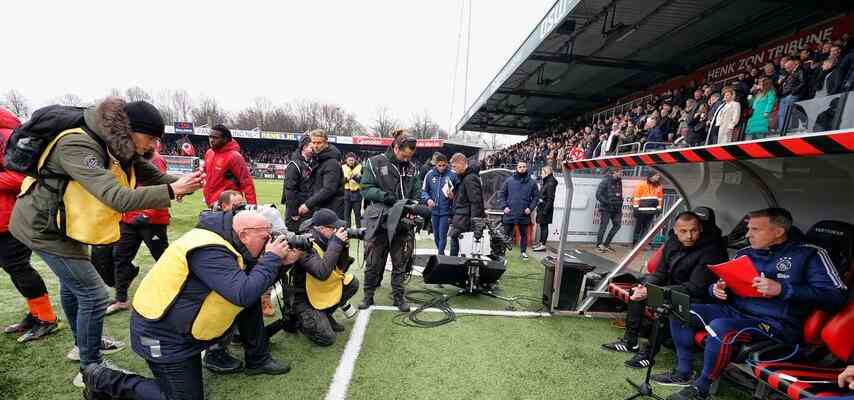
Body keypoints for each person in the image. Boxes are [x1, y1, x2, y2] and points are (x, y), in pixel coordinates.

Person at [9, 98, 204, 385]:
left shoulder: (116, 142)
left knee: (75, 287)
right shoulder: (77, 144)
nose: (152, 146)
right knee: (94, 294)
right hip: (44, 228)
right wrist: (172, 190)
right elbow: (117, 197)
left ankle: (83, 346)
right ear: (131, 130)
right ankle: (90, 369)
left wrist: (182, 182)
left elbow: (148, 173)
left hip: (68, 224)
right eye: (150, 138)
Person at [83, 211, 301, 400]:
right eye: (266, 236)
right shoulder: (209, 249)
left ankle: (237, 356)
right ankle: (102, 378)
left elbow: (253, 284)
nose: (269, 242)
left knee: (249, 303)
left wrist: (281, 264)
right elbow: (242, 293)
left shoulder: (230, 241)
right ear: (244, 234)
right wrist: (272, 259)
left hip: (184, 329)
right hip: (163, 334)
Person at [653, 208, 847, 400]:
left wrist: (783, 289)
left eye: (755, 229)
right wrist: (717, 289)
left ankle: (702, 387)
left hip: (776, 323)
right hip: (735, 311)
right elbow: (720, 286)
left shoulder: (810, 254)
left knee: (720, 327)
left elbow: (836, 297)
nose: (748, 235)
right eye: (748, 228)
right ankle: (683, 372)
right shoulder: (745, 253)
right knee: (678, 309)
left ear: (778, 232)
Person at [602, 211, 726, 369]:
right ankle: (630, 341)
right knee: (636, 291)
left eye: (693, 230)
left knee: (665, 305)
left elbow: (695, 287)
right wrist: (646, 287)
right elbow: (660, 272)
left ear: (700, 229)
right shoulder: (673, 242)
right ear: (675, 230)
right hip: (672, 287)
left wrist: (656, 292)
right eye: (683, 231)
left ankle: (649, 354)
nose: (689, 236)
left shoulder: (712, 250)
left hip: (695, 297)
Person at [0, 107, 60, 342]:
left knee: (18, 267)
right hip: (5, 217)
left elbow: (22, 176)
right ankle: (37, 313)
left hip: (12, 218)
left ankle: (46, 318)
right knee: (13, 268)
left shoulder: (7, 136)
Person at [105, 141, 171, 316]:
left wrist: (147, 214)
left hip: (152, 221)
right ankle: (121, 299)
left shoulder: (156, 160)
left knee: (163, 259)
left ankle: (174, 296)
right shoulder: (129, 159)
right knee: (119, 256)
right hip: (129, 218)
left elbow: (161, 187)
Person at [359, 129, 421, 312]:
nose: (405, 159)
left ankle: (398, 297)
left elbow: (417, 193)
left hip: (402, 224)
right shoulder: (374, 163)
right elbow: (366, 188)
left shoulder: (413, 168)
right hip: (379, 222)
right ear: (395, 147)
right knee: (373, 262)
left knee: (400, 263)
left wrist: (413, 206)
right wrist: (386, 197)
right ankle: (368, 296)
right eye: (403, 154)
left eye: (409, 156)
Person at [289, 209, 359, 346]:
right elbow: (322, 272)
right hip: (303, 298)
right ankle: (301, 321)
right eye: (334, 228)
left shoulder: (327, 239)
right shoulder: (305, 244)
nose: (338, 230)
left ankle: (325, 314)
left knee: (352, 283)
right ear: (321, 229)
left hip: (319, 290)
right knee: (327, 338)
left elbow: (341, 269)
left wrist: (342, 247)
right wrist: (336, 243)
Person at [202, 125, 256, 208]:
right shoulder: (209, 153)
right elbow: (205, 176)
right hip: (212, 204)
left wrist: (252, 208)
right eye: (210, 137)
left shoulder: (234, 157)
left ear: (225, 139)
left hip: (229, 206)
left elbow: (247, 183)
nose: (211, 140)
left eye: (215, 138)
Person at [498, 161, 539, 260]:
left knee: (523, 234)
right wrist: (504, 207)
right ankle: (502, 253)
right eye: (520, 167)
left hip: (524, 213)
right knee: (506, 234)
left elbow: (536, 197)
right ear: (517, 168)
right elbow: (501, 194)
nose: (522, 168)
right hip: (510, 213)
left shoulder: (532, 182)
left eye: (524, 167)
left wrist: (530, 208)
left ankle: (523, 252)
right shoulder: (509, 181)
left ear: (526, 168)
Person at [300, 129, 345, 219]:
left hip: (331, 212)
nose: (316, 146)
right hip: (322, 209)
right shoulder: (319, 159)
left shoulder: (331, 163)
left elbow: (329, 189)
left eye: (319, 143)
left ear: (326, 143)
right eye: (314, 142)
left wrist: (308, 204)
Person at [447, 153, 485, 257]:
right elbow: (464, 198)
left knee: (462, 247)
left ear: (462, 163)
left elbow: (476, 202)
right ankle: (453, 266)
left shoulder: (470, 178)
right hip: (461, 218)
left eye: (454, 166)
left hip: (465, 220)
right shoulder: (464, 177)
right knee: (458, 244)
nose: (453, 169)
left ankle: (452, 267)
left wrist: (475, 223)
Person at [421, 153, 457, 256]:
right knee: (436, 235)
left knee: (442, 235)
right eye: (439, 165)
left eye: (443, 165)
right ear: (435, 165)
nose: (441, 168)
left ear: (447, 164)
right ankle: (441, 255)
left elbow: (459, 193)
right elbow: (423, 191)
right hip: (434, 211)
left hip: (446, 211)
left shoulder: (452, 175)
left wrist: (452, 196)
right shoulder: (429, 174)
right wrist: (428, 200)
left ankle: (440, 255)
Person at [283, 135, 314, 232]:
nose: (314, 149)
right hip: (297, 212)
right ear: (304, 148)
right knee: (295, 240)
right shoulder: (294, 165)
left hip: (307, 208)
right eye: (311, 147)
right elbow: (290, 190)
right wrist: (294, 212)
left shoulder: (311, 163)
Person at [631, 171, 665, 246]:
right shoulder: (641, 184)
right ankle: (635, 243)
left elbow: (660, 198)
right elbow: (636, 197)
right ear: (651, 176)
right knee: (638, 228)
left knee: (646, 229)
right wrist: (635, 209)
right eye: (656, 176)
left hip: (651, 211)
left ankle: (641, 244)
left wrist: (659, 209)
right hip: (641, 211)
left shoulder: (659, 186)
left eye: (658, 176)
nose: (658, 177)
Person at [595, 168, 624, 252]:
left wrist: (620, 202)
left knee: (617, 225)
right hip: (606, 208)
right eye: (621, 172)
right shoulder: (605, 181)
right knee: (603, 226)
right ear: (615, 172)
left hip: (617, 208)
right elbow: (598, 195)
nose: (622, 174)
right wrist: (607, 202)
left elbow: (619, 194)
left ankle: (606, 244)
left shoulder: (619, 181)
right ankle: (599, 245)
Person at [532, 165, 557, 252]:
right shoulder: (547, 181)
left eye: (542, 172)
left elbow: (550, 198)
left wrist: (545, 211)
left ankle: (543, 245)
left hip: (545, 209)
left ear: (547, 173)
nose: (541, 174)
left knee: (544, 226)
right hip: (543, 207)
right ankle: (541, 243)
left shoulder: (550, 183)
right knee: (542, 226)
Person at [342, 153, 363, 228]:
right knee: (346, 214)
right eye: (349, 160)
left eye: (352, 160)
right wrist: (347, 179)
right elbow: (339, 181)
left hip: (357, 193)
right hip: (347, 193)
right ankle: (347, 232)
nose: (351, 162)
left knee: (357, 214)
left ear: (355, 160)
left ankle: (359, 231)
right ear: (346, 160)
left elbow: (363, 181)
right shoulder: (343, 167)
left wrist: (356, 178)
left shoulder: (360, 167)